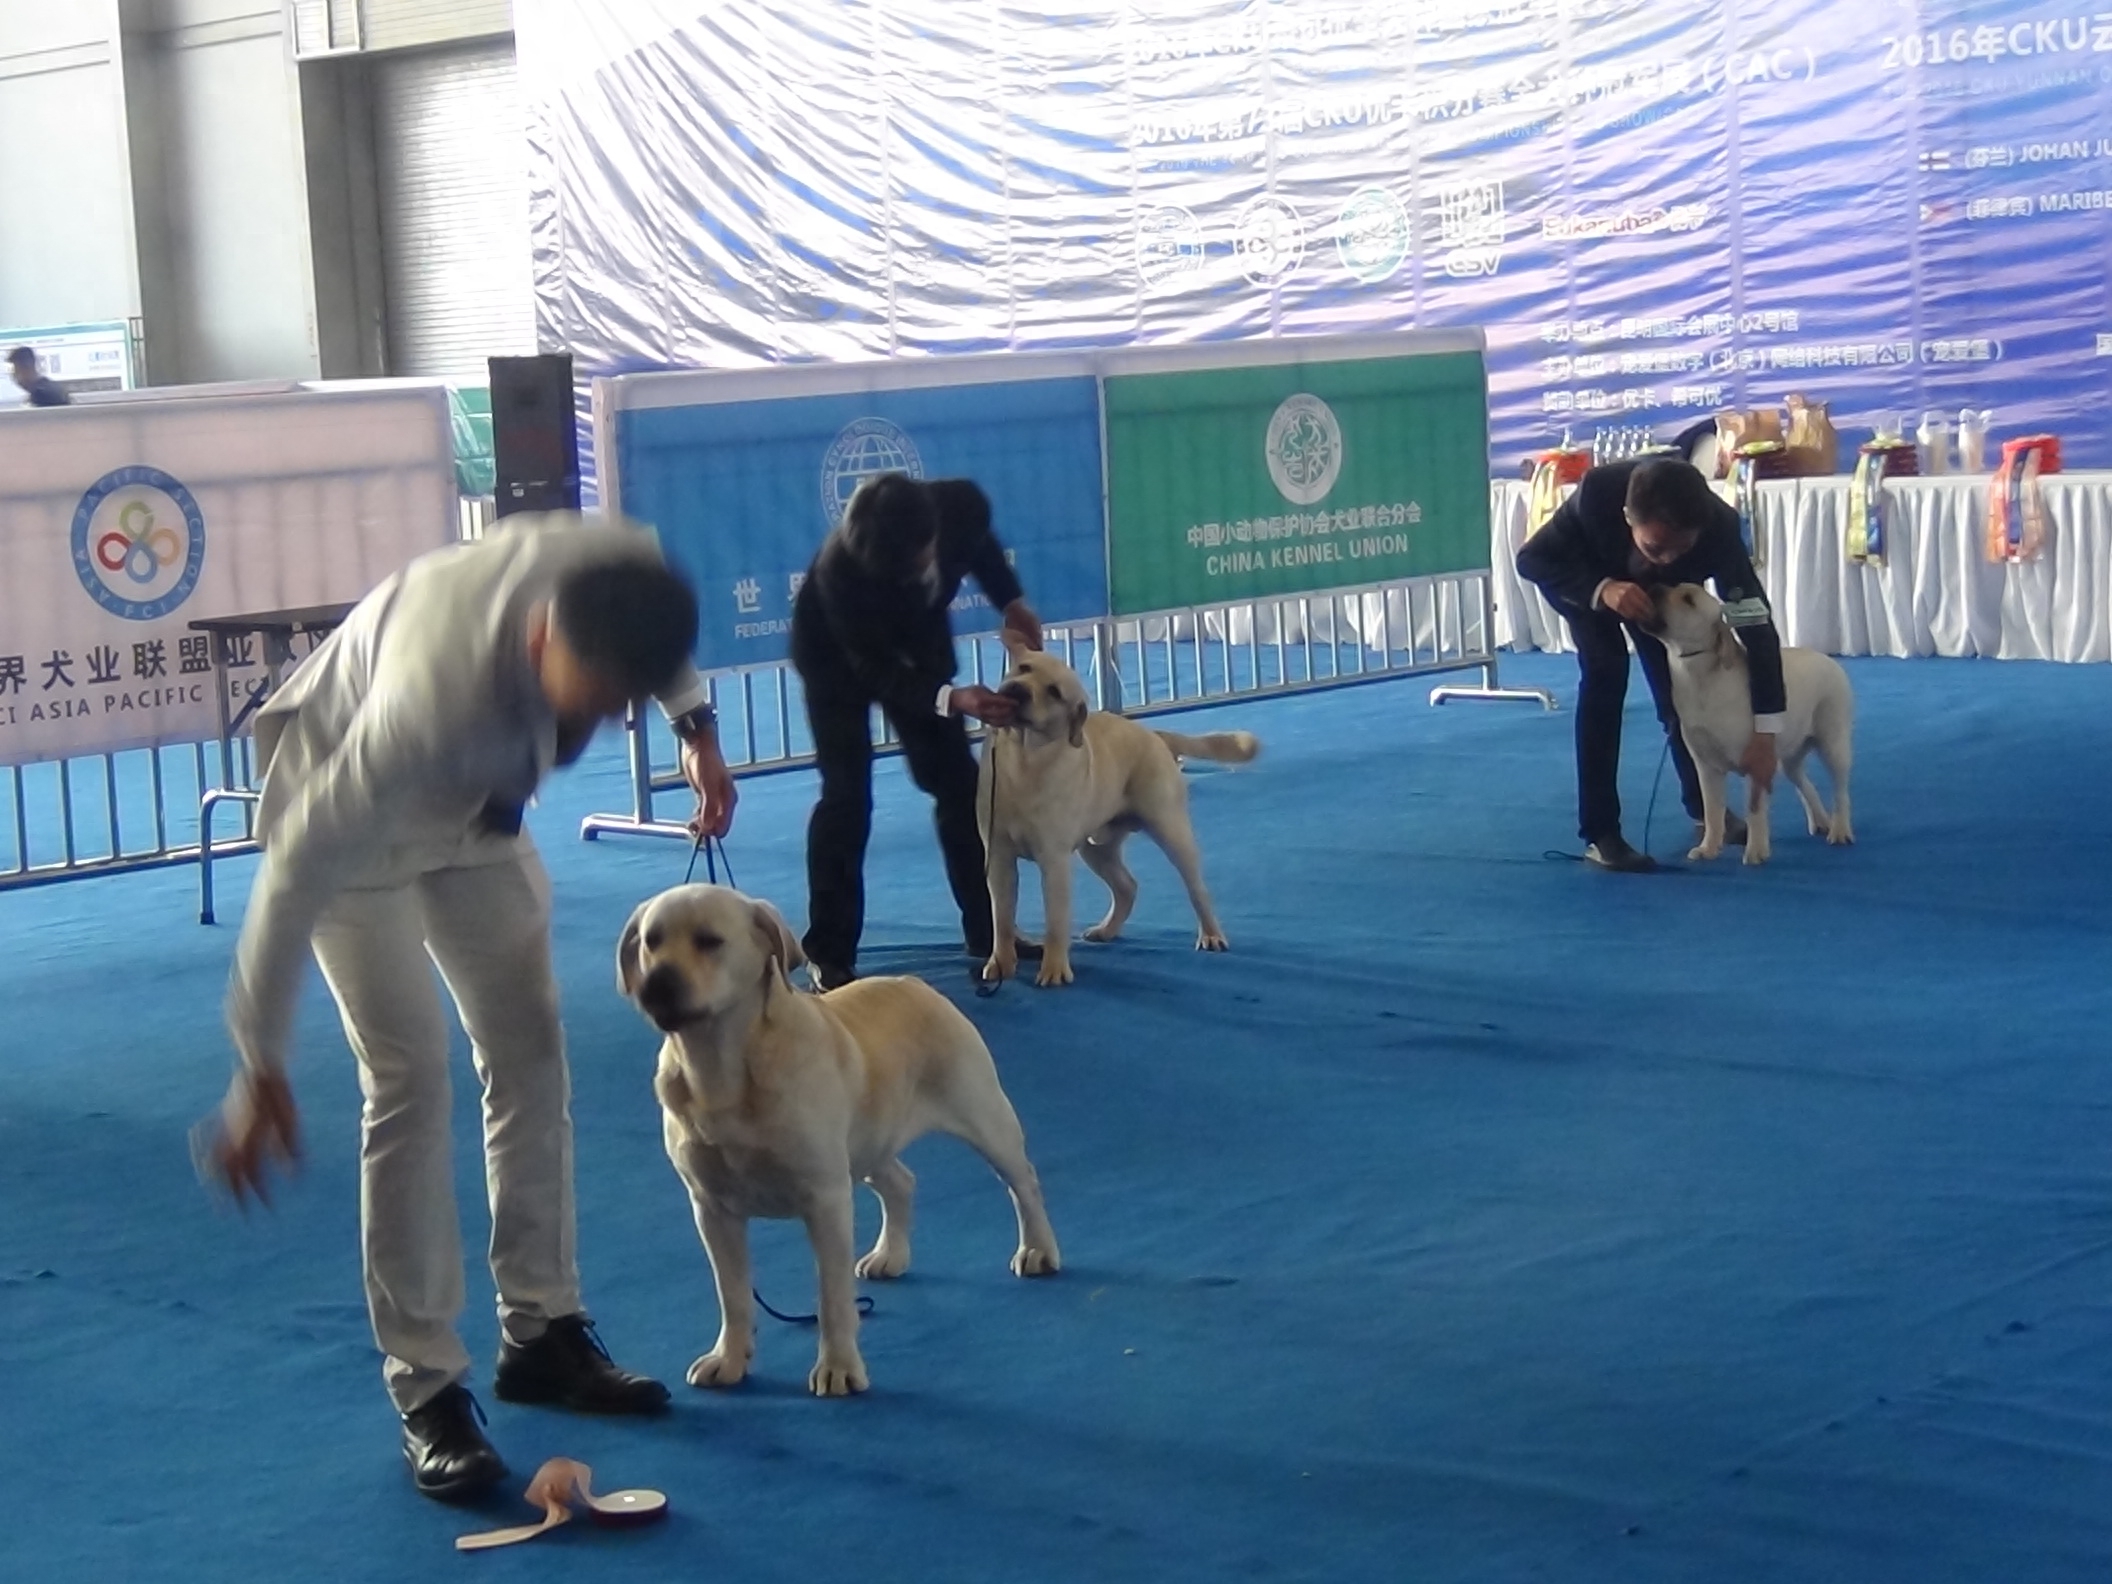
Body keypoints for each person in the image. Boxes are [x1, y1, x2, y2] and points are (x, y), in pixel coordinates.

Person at [201, 513, 739, 1501]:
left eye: (612, 704)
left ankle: (541, 1332)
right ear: (540, 639)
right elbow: (296, 870)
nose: (590, 723)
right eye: (582, 699)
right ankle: (428, 1390)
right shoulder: (427, 692)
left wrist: (696, 729)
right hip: (351, 830)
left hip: (477, 821)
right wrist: (259, 1062)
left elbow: (654, 645)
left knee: (531, 1054)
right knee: (409, 1078)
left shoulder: (621, 569)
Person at [790, 472, 1042, 989]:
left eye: (922, 557)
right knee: (846, 799)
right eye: (903, 569)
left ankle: (990, 931)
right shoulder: (841, 572)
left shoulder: (959, 504)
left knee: (960, 786)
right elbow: (873, 669)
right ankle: (830, 953)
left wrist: (1012, 601)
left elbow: (979, 545)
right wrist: (952, 699)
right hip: (838, 665)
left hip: (921, 649)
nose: (920, 569)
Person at [1515, 456, 1785, 872]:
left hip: (1659, 603)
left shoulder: (1721, 529)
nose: (1667, 559)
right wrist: (1602, 590)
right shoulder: (1597, 494)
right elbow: (1531, 560)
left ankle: (1705, 812)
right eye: (1655, 547)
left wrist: (1767, 732)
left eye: (1681, 549)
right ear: (1627, 518)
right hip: (1588, 583)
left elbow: (1757, 628)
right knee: (1606, 675)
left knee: (1677, 695)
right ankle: (1601, 833)